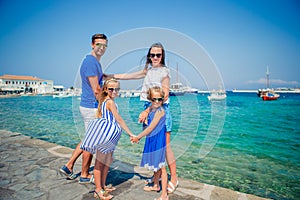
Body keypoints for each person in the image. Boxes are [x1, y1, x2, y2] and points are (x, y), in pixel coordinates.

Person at [110, 42, 179, 193]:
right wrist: (110, 76)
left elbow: (164, 95)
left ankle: (173, 177)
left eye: (158, 55)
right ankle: (156, 178)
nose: (155, 57)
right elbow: (128, 76)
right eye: (152, 54)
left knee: (165, 147)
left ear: (162, 56)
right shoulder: (147, 71)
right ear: (149, 56)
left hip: (159, 110)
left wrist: (147, 110)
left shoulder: (165, 72)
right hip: (149, 110)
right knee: (154, 146)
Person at [60, 33, 108, 184]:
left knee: (88, 138)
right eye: (99, 44)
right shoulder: (90, 62)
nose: (102, 48)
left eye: (104, 45)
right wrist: (105, 106)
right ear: (92, 45)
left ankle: (69, 166)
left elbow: (101, 80)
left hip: (88, 106)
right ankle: (84, 174)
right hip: (91, 107)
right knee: (91, 142)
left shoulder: (95, 62)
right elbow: (96, 90)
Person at [81, 78, 134, 199]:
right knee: (100, 163)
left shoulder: (108, 101)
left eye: (117, 89)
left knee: (107, 161)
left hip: (110, 136)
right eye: (111, 89)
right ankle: (98, 190)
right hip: (104, 135)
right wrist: (131, 133)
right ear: (106, 89)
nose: (114, 91)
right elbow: (119, 119)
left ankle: (103, 186)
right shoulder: (109, 102)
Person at [131, 86, 168, 200]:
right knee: (156, 164)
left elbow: (151, 128)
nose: (157, 102)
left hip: (158, 141)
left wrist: (138, 137)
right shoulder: (151, 108)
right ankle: (156, 185)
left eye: (159, 99)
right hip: (152, 139)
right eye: (154, 99)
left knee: (161, 167)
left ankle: (164, 195)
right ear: (150, 99)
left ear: (163, 99)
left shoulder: (160, 112)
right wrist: (143, 117)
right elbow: (148, 123)